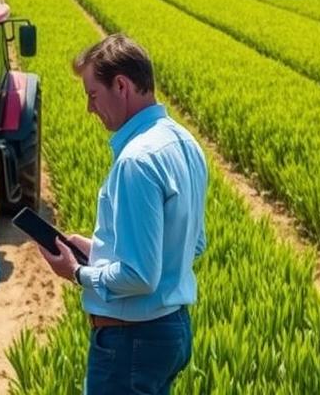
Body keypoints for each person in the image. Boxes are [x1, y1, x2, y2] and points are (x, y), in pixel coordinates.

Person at [36, 33, 207, 395]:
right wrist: (99, 251)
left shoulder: (137, 162)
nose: (89, 108)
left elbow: (140, 276)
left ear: (121, 85)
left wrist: (78, 272)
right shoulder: (185, 143)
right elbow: (195, 243)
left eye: (92, 94)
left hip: (132, 341)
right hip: (171, 330)